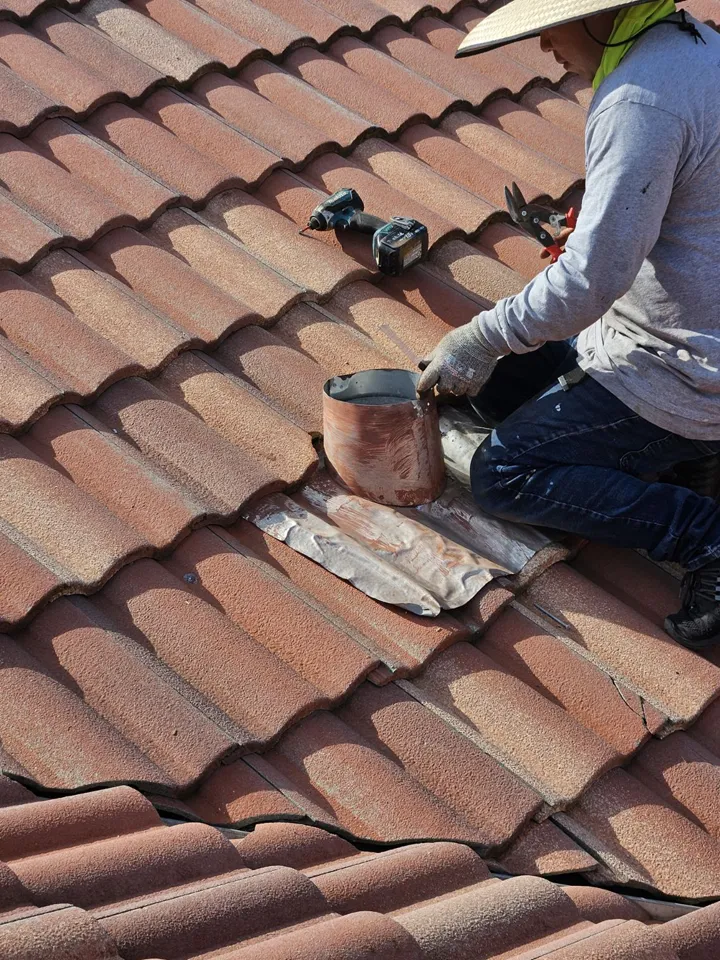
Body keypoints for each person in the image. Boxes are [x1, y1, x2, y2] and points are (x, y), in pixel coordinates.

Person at [417, 0, 720, 650]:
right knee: (494, 388)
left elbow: (590, 279)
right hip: (680, 328)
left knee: (505, 472)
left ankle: (703, 534)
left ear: (602, 14)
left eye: (549, 24)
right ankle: (685, 460)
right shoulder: (692, 44)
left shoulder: (642, 99)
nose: (546, 46)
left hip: (687, 373)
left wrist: (478, 337)